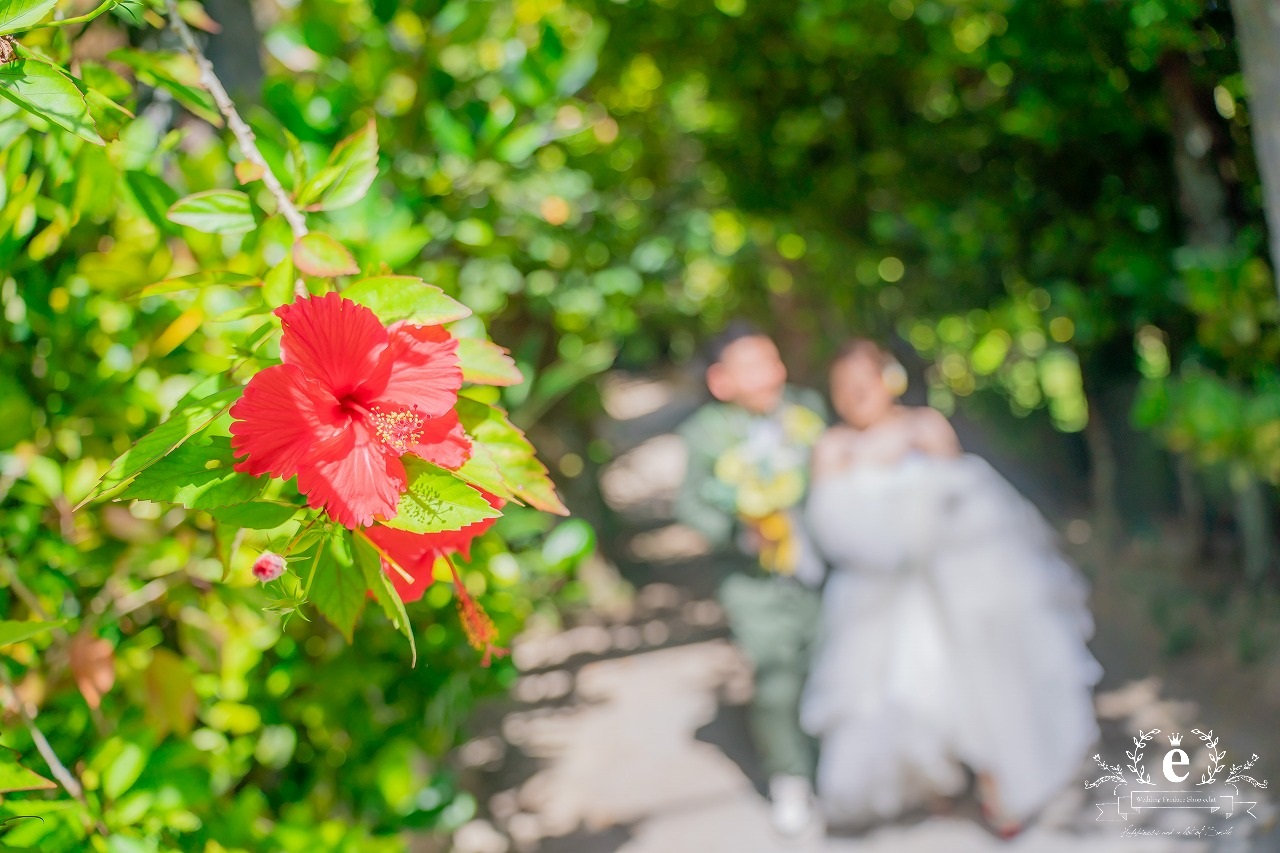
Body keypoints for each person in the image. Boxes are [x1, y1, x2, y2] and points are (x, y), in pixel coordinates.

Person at [799, 339, 1102, 837]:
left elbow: (978, 506)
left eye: (864, 381)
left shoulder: (926, 428)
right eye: (843, 387)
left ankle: (998, 784)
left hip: (954, 588)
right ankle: (935, 782)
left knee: (982, 685)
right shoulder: (833, 448)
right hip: (877, 598)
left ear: (887, 378)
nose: (856, 394)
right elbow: (831, 527)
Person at [675, 321, 829, 836]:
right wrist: (740, 532)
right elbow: (691, 503)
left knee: (827, 663)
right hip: (752, 583)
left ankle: (832, 763)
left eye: (773, 360)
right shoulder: (705, 433)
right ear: (721, 380)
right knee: (773, 676)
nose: (770, 375)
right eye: (753, 366)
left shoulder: (810, 411)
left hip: (823, 567)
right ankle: (790, 776)